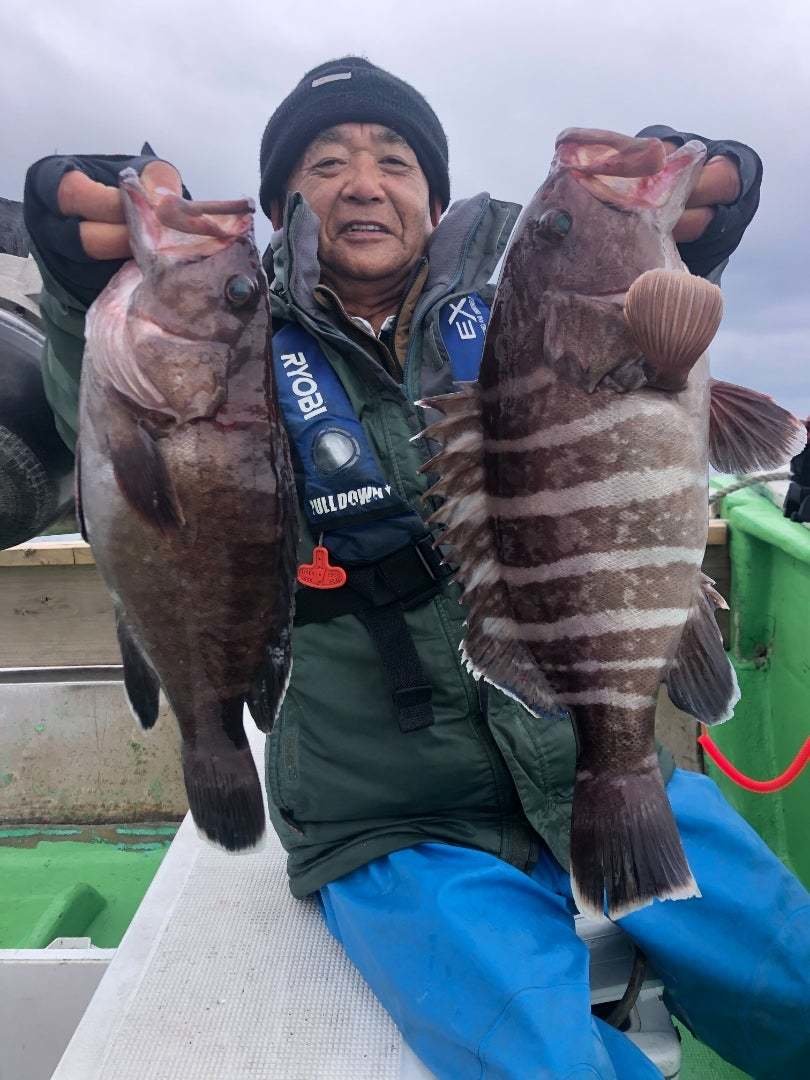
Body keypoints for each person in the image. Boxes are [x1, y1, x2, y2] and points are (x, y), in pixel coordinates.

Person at [19, 57, 810, 1079]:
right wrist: (76, 285)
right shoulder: (229, 345)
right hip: (392, 817)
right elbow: (125, 426)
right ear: (282, 209)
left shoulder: (521, 306)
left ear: (435, 202)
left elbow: (638, 363)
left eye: (394, 160)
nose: (363, 181)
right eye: (324, 163)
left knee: (795, 982)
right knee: (547, 1064)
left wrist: (696, 231)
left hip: (586, 752)